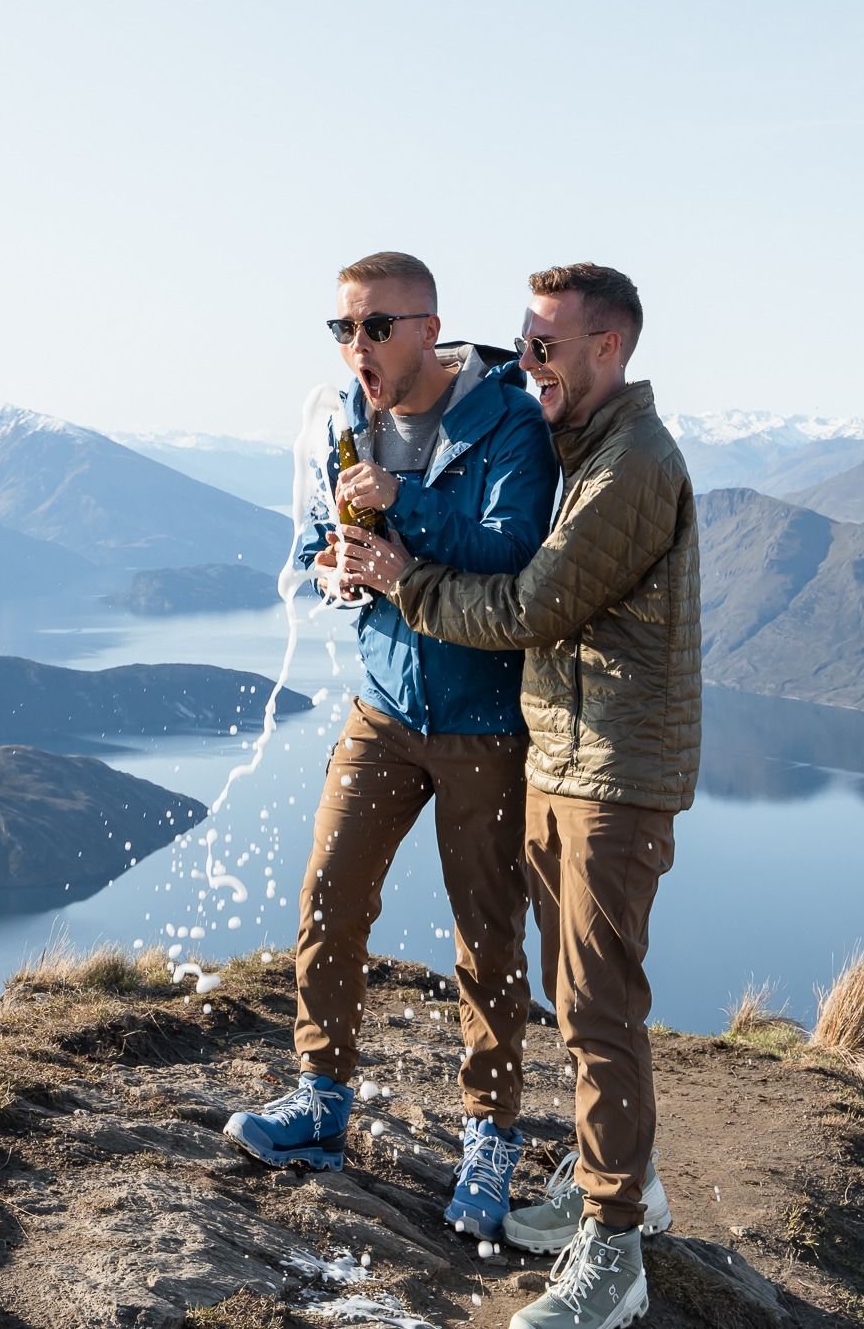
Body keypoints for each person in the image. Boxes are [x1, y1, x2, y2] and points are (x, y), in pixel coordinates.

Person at [334, 261, 699, 1329]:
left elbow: (530, 606)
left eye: (543, 345)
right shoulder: (579, 446)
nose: (521, 360)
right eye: (520, 341)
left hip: (612, 770)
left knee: (594, 1002)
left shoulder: (630, 463)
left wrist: (404, 577)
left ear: (607, 350)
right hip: (562, 753)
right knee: (576, 985)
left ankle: (617, 1248)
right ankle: (621, 1185)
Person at [222, 250, 562, 1243]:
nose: (356, 347)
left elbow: (512, 550)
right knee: (329, 893)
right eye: (343, 329)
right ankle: (320, 1101)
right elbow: (307, 542)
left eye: (375, 327)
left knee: (486, 938)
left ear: (428, 326)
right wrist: (328, 561)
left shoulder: (507, 420)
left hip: (483, 721)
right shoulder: (339, 418)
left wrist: (399, 508)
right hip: (382, 705)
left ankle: (490, 1141)